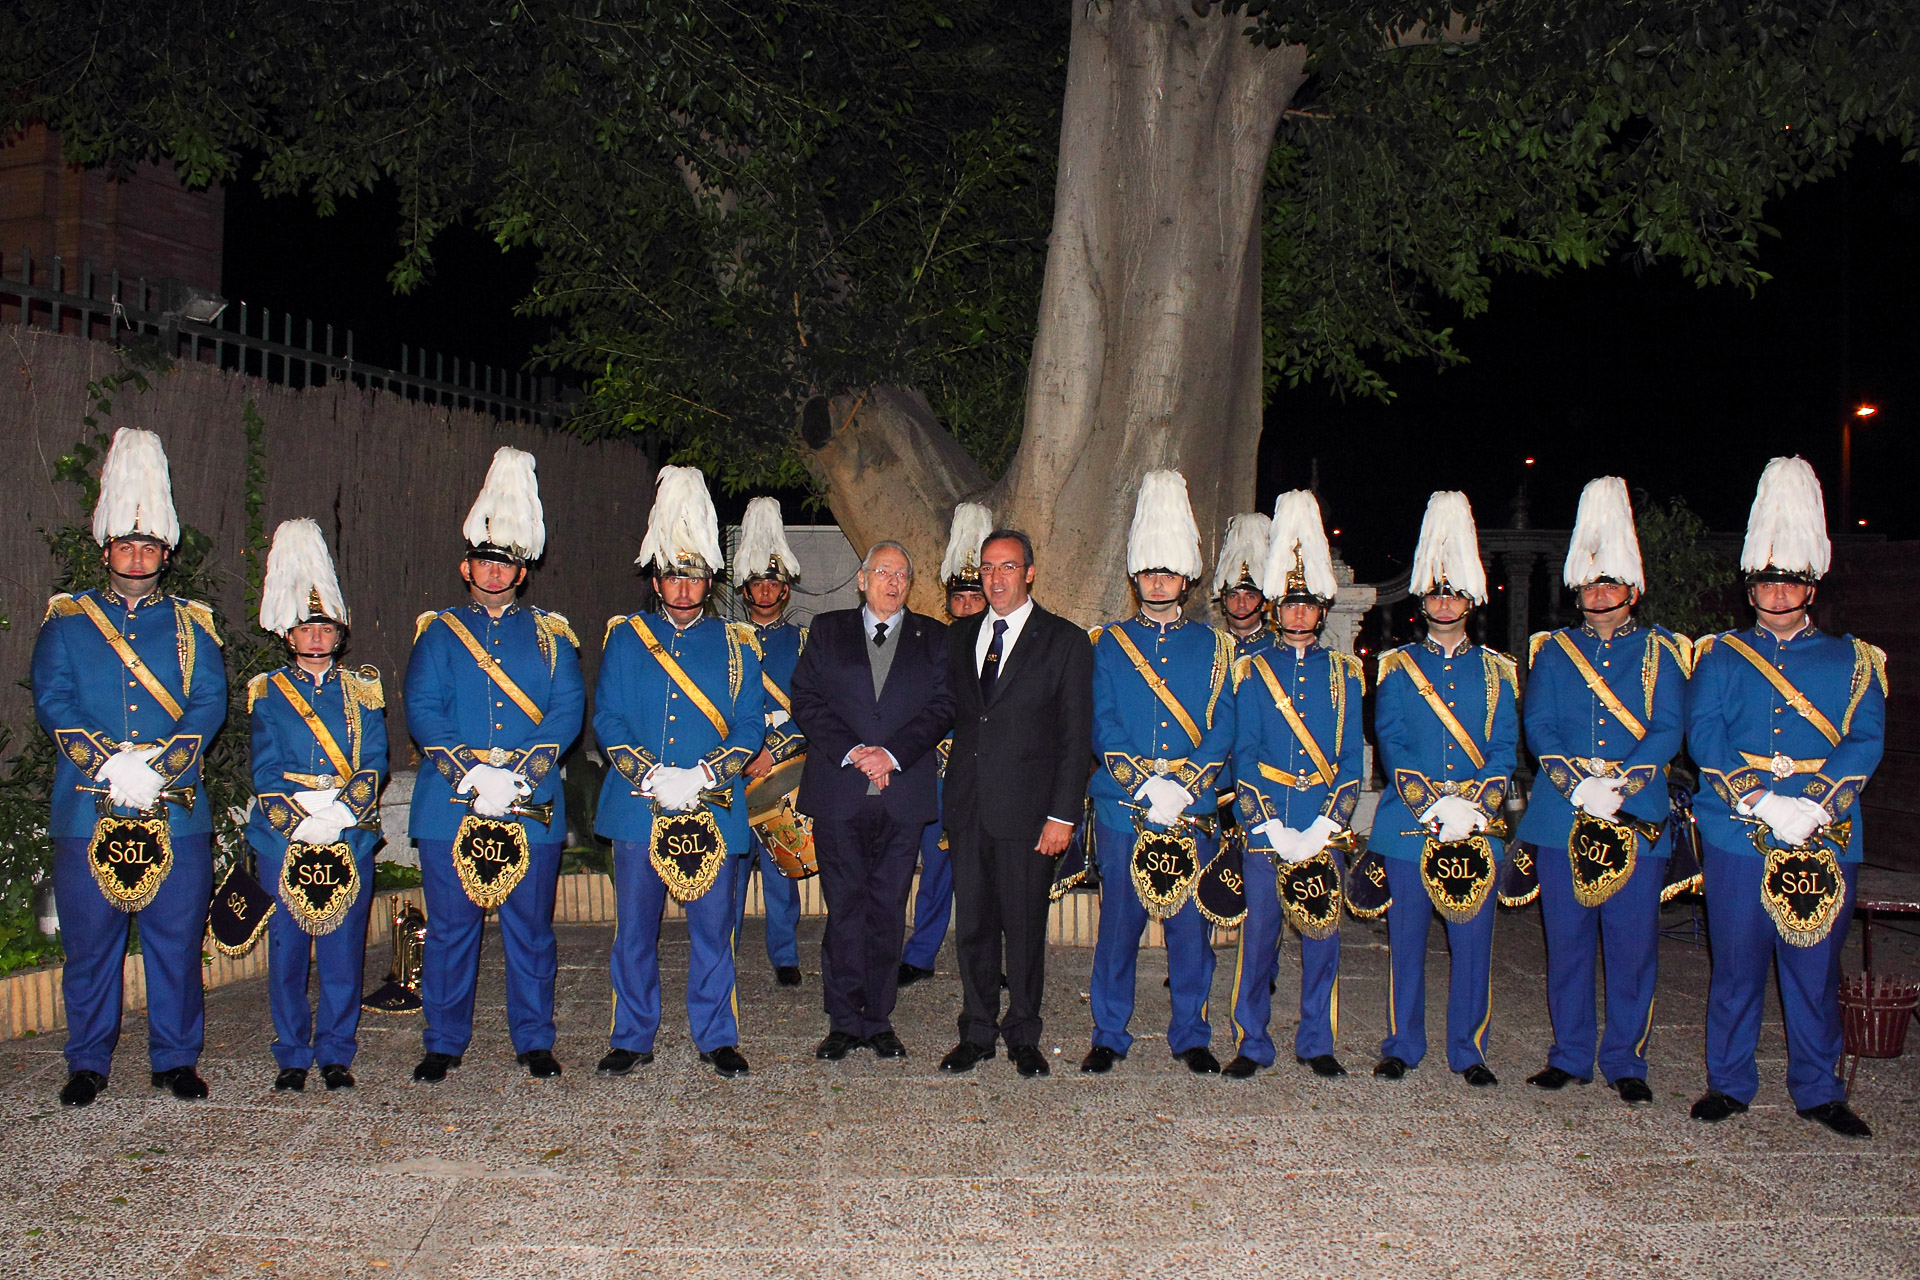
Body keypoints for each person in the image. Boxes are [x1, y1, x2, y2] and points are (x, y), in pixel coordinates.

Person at [1687, 457, 1884, 1138]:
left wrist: (1818, 805)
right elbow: (1705, 735)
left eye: (1790, 580)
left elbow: (1865, 738)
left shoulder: (1854, 659)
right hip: (1738, 829)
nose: (1777, 591)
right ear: (1750, 587)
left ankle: (1818, 1089)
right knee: (1736, 964)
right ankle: (1729, 1082)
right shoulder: (1718, 655)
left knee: (1813, 967)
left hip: (1823, 832)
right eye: (1766, 580)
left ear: (1811, 585)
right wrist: (1761, 800)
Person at [35, 428, 227, 1106]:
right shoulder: (67, 623)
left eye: (149, 547)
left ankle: (175, 1059)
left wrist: (161, 767)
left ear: (166, 553)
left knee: (176, 942)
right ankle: (88, 1061)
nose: (137, 556)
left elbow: (208, 702)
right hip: (89, 806)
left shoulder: (194, 625)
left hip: (175, 809)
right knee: (92, 945)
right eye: (126, 545)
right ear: (106, 550)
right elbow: (54, 702)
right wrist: (112, 766)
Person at [406, 447, 584, 1083]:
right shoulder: (438, 632)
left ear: (522, 572)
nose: (493, 570)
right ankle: (443, 1040)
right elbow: (423, 708)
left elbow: (566, 710)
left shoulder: (553, 636)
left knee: (530, 930)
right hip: (451, 802)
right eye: (484, 560)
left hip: (528, 802)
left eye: (504, 562)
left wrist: (520, 777)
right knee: (451, 930)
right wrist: (471, 774)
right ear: (466, 566)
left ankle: (534, 1039)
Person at [1516, 478, 1688, 1107]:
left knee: (1632, 947)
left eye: (1609, 583)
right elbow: (1539, 726)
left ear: (1632, 590)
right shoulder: (1553, 651)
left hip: (1632, 811)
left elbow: (1668, 727)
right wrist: (1577, 786)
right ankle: (1568, 1055)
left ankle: (1625, 1059)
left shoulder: (1662, 650)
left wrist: (1621, 785)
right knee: (1565, 943)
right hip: (1564, 814)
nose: (1598, 594)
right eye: (1589, 584)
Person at [595, 466, 766, 1079]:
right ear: (656, 579)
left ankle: (717, 1035)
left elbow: (750, 725)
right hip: (637, 808)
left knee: (714, 932)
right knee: (634, 933)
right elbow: (608, 718)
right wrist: (649, 775)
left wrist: (701, 776)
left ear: (709, 581)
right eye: (673, 575)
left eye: (694, 576)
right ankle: (631, 1035)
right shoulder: (625, 639)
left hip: (711, 806)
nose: (684, 587)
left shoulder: (738, 644)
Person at [1082, 471, 1236, 1076]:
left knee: (1190, 928)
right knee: (1118, 924)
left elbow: (1223, 726)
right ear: (1135, 576)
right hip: (1126, 806)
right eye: (1148, 571)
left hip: (1191, 809)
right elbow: (1102, 722)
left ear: (1186, 579)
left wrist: (1186, 786)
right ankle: (1109, 1031)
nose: (1157, 581)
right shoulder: (1109, 643)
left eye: (1168, 572)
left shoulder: (1217, 647)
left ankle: (1191, 1033)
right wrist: (1146, 785)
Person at [1370, 492, 1518, 1088]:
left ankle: (1468, 1048)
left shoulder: (1499, 670)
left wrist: (1476, 807)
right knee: (1406, 941)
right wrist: (1433, 804)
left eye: (1454, 593)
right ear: (1422, 600)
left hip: (1475, 825)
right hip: (1412, 823)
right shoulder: (1396, 666)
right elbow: (1392, 741)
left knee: (1473, 943)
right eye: (1435, 592)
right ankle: (1403, 1044)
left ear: (1471, 600)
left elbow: (1505, 747)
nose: (1444, 601)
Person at [789, 540, 954, 1061]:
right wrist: (854, 751)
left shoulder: (934, 638)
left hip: (901, 798)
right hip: (840, 794)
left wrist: (892, 755)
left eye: (902, 575)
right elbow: (805, 699)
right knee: (844, 910)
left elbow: (944, 706)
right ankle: (843, 1021)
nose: (893, 582)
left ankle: (878, 1020)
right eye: (883, 572)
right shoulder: (827, 630)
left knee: (886, 909)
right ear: (862, 580)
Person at [938, 528, 1094, 1077]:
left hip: (1031, 815)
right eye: (987, 568)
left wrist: (1063, 815)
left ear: (1029, 572)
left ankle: (1024, 1034)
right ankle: (977, 1031)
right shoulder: (960, 637)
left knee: (1024, 929)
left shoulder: (1065, 641)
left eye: (1007, 567)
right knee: (973, 927)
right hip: (969, 810)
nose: (995, 578)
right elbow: (947, 714)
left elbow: (1076, 738)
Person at [247, 519, 389, 1092]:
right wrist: (299, 822)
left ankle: (335, 1050)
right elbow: (264, 769)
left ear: (339, 633)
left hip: (345, 830)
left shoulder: (363, 690)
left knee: (342, 950)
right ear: (289, 635)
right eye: (305, 628)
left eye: (324, 627)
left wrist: (340, 815)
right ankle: (290, 1052)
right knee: (286, 950)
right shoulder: (267, 691)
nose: (315, 637)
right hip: (283, 835)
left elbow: (374, 761)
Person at [1226, 490, 1364, 1080]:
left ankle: (1316, 1041)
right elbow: (1245, 755)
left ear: (1322, 609)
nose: (1299, 614)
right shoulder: (1252, 670)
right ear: (1276, 608)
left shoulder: (1345, 673)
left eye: (1308, 605)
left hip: (1320, 824)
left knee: (1323, 939)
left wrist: (1328, 825)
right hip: (1268, 824)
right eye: (1290, 604)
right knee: (1258, 940)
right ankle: (1251, 1041)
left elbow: (1351, 759)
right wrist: (1267, 824)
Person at [900, 502, 992, 989]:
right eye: (960, 596)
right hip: (936, 774)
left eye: (977, 595)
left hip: (989, 776)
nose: (968, 604)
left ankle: (989, 962)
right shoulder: (927, 641)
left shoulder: (1008, 643)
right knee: (935, 867)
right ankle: (920, 954)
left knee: (989, 874)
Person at [729, 496, 807, 988]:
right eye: (757, 582)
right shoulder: (724, 639)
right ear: (745, 589)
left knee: (782, 870)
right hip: (734, 769)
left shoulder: (803, 641)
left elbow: (815, 709)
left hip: (783, 772)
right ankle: (723, 952)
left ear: (785, 589)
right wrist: (741, 754)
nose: (765, 590)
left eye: (773, 583)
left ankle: (785, 955)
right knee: (731, 870)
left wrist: (772, 752)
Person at [1213, 512, 1278, 659]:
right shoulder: (1210, 647)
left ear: (1264, 604)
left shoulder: (1279, 648)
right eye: (1233, 596)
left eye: (1250, 597)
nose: (1241, 604)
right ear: (1223, 603)